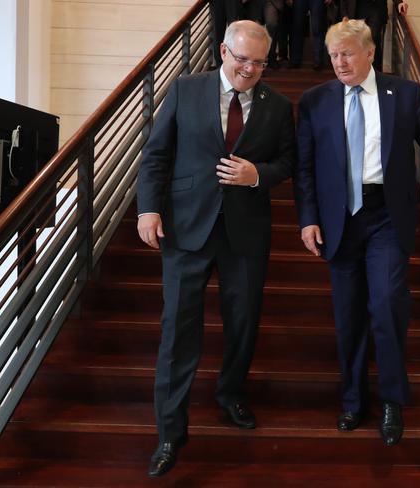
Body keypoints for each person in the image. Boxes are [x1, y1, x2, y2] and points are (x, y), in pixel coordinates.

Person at [294, 19, 420, 446]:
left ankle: (391, 401)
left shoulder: (403, 94)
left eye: (347, 53)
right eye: (333, 55)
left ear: (370, 53)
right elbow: (305, 168)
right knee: (348, 317)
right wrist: (308, 218)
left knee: (387, 306)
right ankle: (352, 401)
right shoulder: (315, 101)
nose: (339, 62)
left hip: (386, 216)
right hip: (338, 222)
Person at [137, 20, 295, 476]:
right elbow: (156, 153)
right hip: (185, 227)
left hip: (245, 233)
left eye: (259, 62)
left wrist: (258, 175)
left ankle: (230, 394)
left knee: (243, 322)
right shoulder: (186, 89)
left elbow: (287, 160)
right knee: (178, 332)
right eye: (242, 58)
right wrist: (148, 209)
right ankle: (169, 432)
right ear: (223, 51)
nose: (249, 69)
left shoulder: (279, 105)